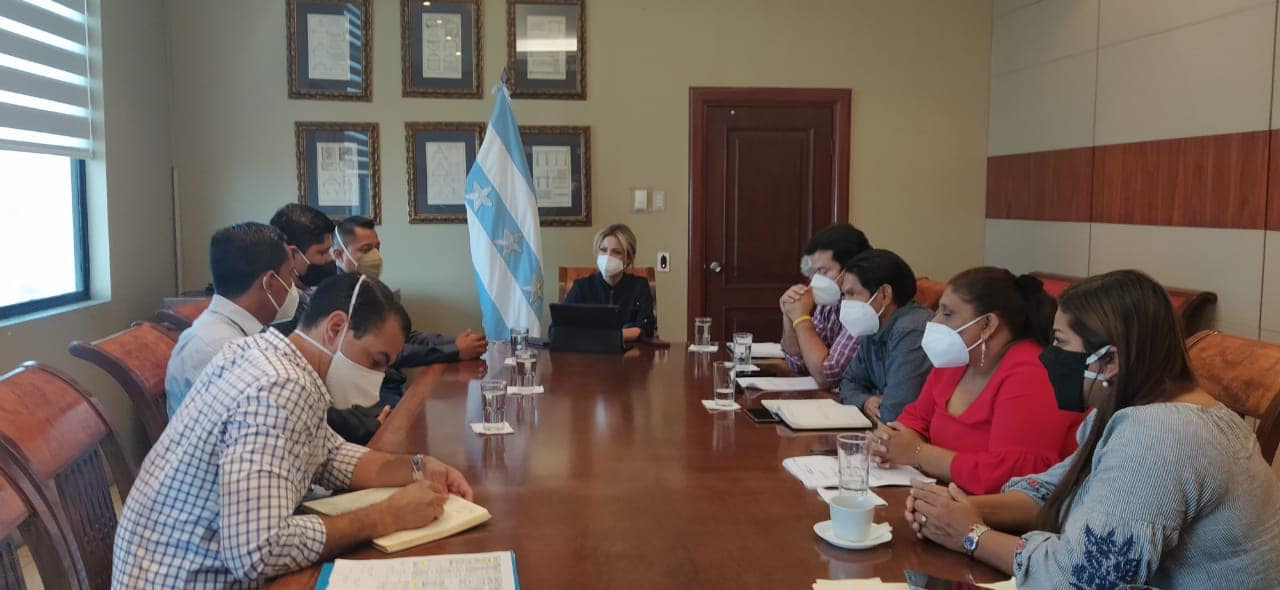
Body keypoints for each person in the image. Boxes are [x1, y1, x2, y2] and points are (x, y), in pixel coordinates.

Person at [906, 270, 1280, 589]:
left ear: (1109, 359)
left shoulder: (1159, 435)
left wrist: (972, 535)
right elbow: (1056, 490)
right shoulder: (1130, 410)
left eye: (1060, 343)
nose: (1049, 357)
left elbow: (1084, 577)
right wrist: (957, 510)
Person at [113, 273, 474, 587]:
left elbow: (329, 455)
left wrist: (417, 467)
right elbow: (258, 551)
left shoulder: (264, 354)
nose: (377, 378)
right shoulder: (280, 387)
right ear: (336, 328)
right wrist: (386, 515)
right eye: (375, 361)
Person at [869, 267, 1084, 495]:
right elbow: (915, 419)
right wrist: (890, 442)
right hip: (941, 495)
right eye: (938, 310)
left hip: (997, 510)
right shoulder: (958, 358)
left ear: (987, 324)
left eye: (947, 314)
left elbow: (1011, 477)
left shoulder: (1034, 372)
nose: (935, 321)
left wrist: (917, 453)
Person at [165, 223, 299, 416]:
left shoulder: (231, 333)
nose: (292, 285)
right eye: (290, 274)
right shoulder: (220, 352)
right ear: (269, 282)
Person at [835, 249, 933, 423]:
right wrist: (866, 401)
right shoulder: (873, 323)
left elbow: (894, 413)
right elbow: (848, 382)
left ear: (885, 294)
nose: (844, 303)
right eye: (844, 294)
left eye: (851, 294)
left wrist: (876, 402)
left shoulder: (911, 330)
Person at [779, 223, 872, 389]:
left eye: (823, 271)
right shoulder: (829, 303)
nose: (814, 280)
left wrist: (802, 319)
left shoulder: (864, 307)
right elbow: (798, 363)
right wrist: (789, 314)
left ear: (851, 268)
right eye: (814, 272)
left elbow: (827, 376)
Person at [561, 223, 656, 342]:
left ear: (628, 258)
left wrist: (606, 336)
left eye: (616, 252)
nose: (608, 256)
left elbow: (646, 328)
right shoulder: (581, 287)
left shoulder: (639, 286)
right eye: (603, 250)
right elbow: (558, 329)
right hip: (588, 351)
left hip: (629, 351)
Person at [269, 203, 337, 290]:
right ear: (291, 254)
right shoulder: (277, 297)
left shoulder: (319, 290)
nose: (330, 258)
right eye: (322, 252)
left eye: (329, 249)